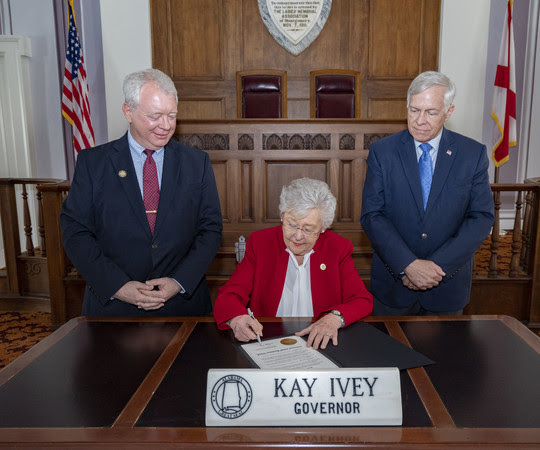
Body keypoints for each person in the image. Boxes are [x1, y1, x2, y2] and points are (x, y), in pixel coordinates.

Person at [60, 68, 222, 316]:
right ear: (129, 111)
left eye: (172, 115)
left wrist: (178, 282)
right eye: (155, 116)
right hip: (113, 307)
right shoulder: (93, 163)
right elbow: (75, 232)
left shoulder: (196, 162)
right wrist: (118, 286)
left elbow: (210, 229)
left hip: (182, 307)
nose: (165, 126)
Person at [360, 71, 494, 316]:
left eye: (430, 112)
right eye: (414, 110)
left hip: (446, 288)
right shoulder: (383, 152)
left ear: (448, 112)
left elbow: (481, 217)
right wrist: (407, 265)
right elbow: (372, 215)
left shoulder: (472, 154)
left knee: (445, 356)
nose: (419, 120)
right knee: (387, 354)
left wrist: (435, 268)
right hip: (392, 288)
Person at [213, 178, 373, 349]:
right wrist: (237, 318)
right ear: (282, 216)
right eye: (291, 224)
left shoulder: (337, 248)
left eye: (308, 228)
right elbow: (229, 295)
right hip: (267, 342)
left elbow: (361, 300)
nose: (297, 236)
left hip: (321, 342)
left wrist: (335, 318)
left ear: (323, 228)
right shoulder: (261, 243)